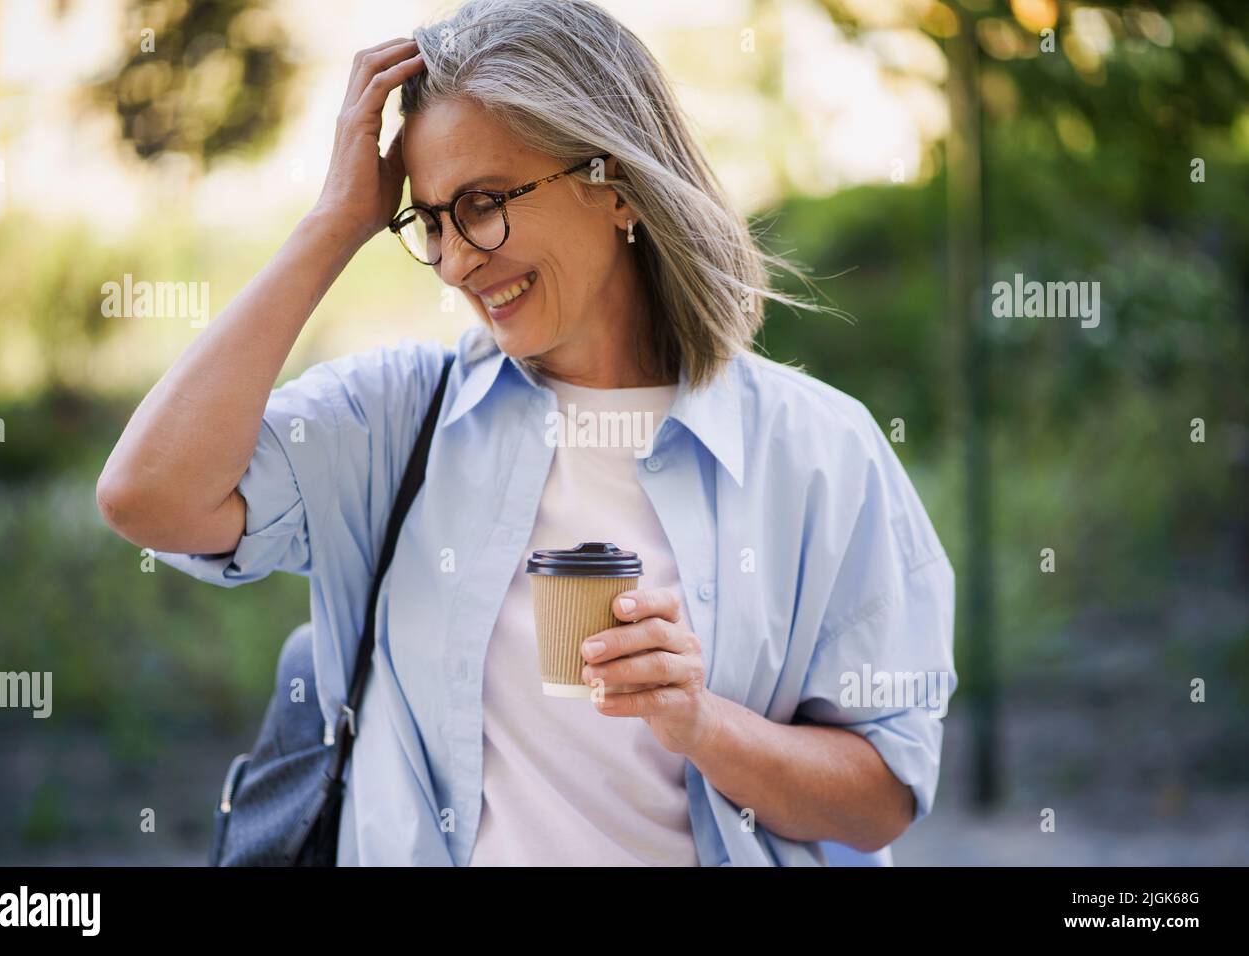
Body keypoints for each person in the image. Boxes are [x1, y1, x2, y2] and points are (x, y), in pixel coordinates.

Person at [96, 0, 956, 866]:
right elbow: (148, 497)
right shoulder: (399, 421)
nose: (456, 259)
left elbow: (882, 799)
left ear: (614, 181)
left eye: (482, 203)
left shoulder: (819, 453)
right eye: (429, 222)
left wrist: (701, 723)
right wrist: (335, 225)